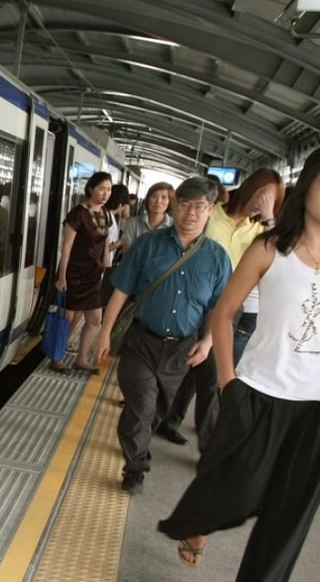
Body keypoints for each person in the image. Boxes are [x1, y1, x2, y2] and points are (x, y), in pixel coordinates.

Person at [157, 147, 320, 582]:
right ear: (307, 187)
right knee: (239, 486)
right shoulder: (270, 246)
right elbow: (225, 312)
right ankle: (199, 523)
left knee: (291, 511)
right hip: (258, 390)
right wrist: (228, 380)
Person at [94, 177, 232, 495]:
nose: (191, 213)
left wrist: (208, 341)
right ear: (175, 205)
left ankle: (140, 444)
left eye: (200, 207)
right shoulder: (147, 245)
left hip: (181, 348)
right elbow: (121, 291)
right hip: (140, 341)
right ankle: (136, 467)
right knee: (141, 406)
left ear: (210, 210)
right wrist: (104, 334)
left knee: (160, 409)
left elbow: (218, 309)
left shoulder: (217, 258)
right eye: (184, 205)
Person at [159, 170, 283, 446]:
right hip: (192, 300)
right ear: (249, 188)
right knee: (191, 367)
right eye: (261, 195)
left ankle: (207, 444)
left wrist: (269, 216)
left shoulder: (261, 231)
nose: (262, 202)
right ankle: (169, 420)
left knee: (212, 376)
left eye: (271, 199)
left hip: (228, 308)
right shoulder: (213, 214)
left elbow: (284, 256)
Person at [52, 172, 114, 373]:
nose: (106, 194)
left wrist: (106, 257)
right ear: (91, 189)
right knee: (67, 318)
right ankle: (57, 357)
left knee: (95, 318)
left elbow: (104, 238)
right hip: (74, 273)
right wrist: (62, 276)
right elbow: (67, 246)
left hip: (94, 273)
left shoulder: (105, 213)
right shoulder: (77, 214)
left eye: (109, 189)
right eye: (102, 189)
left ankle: (81, 359)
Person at [119, 181, 174, 255]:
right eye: (154, 196)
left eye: (163, 197)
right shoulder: (133, 223)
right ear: (148, 199)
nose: (158, 201)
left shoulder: (174, 226)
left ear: (170, 201)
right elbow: (127, 255)